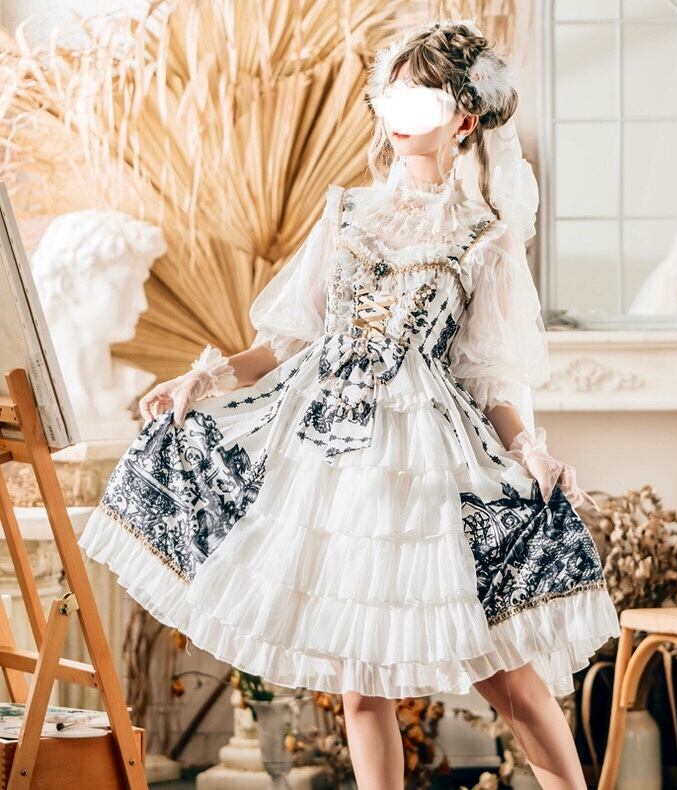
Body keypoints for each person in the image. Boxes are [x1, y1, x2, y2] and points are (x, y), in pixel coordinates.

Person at [78, 18, 620, 789]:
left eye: (423, 98)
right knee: (361, 685)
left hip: (426, 465)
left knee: (508, 677)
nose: (401, 112)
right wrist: (205, 380)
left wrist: (530, 449)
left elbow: (493, 376)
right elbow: (286, 341)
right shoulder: (346, 214)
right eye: (392, 94)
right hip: (328, 457)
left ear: (464, 121)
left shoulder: (484, 239)